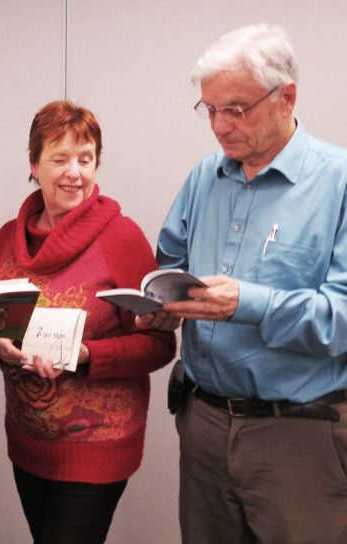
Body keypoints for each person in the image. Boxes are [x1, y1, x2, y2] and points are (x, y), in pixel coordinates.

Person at [138, 24, 347, 544]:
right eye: (208, 110)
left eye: (235, 108)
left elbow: (341, 319)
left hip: (299, 434)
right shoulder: (204, 176)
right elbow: (170, 265)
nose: (219, 127)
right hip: (204, 422)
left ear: (287, 97)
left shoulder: (338, 183)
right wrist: (160, 304)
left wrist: (247, 304)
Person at [0, 100, 175, 544]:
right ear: (34, 164)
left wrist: (87, 355)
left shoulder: (120, 238)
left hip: (97, 447)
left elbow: (160, 344)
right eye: (60, 158)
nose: (75, 172)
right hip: (29, 440)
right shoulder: (9, 238)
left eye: (85, 159)